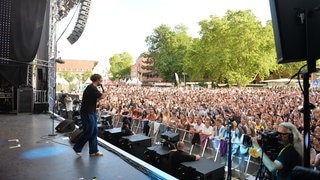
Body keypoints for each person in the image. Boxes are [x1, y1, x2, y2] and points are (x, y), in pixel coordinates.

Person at [73, 74, 107, 157]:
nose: (101, 82)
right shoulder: (91, 88)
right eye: (101, 80)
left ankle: (93, 151)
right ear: (97, 80)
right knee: (89, 131)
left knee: (94, 132)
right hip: (87, 113)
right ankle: (77, 147)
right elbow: (102, 96)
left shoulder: (93, 88)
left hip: (91, 112)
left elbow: (97, 98)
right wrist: (105, 92)